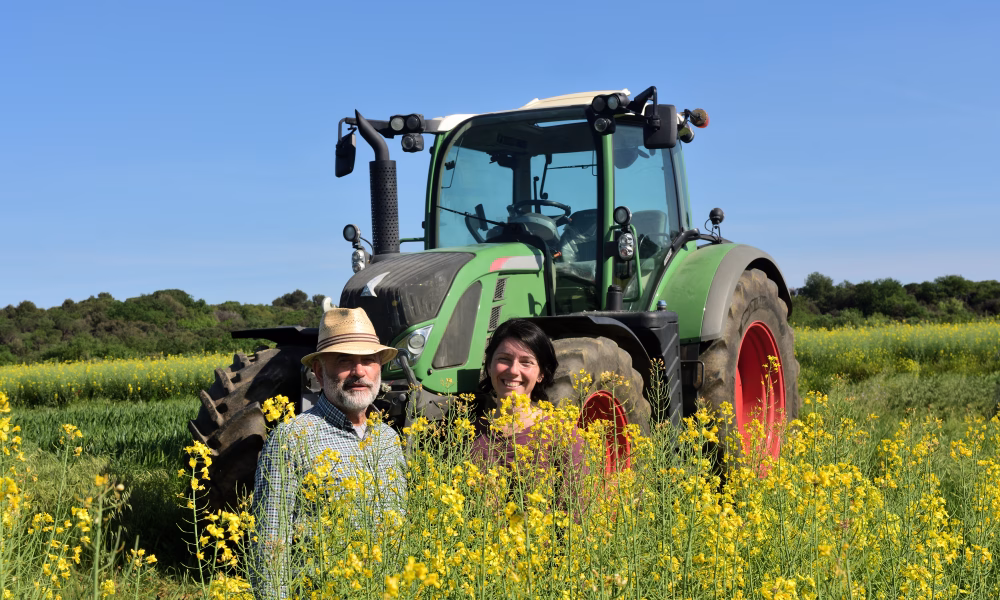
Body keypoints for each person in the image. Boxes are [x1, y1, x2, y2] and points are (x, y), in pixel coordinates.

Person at [251, 307, 405, 599]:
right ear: (320, 373)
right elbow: (270, 541)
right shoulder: (292, 438)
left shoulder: (388, 438)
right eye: (344, 361)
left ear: (379, 369)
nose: (359, 371)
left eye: (368, 361)